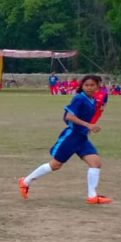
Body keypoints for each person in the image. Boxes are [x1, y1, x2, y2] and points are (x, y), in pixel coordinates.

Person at [19, 74, 111, 205]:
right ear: (82, 86)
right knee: (55, 165)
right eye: (86, 85)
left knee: (95, 163)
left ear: (97, 87)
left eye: (92, 85)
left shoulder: (92, 100)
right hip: (71, 137)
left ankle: (92, 196)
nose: (89, 87)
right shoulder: (79, 98)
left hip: (82, 138)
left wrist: (89, 127)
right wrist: (88, 125)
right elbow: (69, 116)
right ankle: (25, 181)